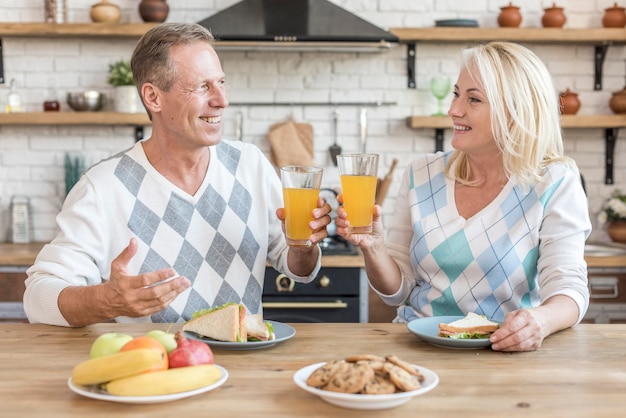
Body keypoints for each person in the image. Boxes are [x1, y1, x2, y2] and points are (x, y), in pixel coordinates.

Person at [23, 23, 331, 327]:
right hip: (152, 371)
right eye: (202, 87)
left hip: (244, 368)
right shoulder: (103, 187)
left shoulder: (250, 165)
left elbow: (297, 268)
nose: (221, 100)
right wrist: (107, 301)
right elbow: (37, 297)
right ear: (153, 97)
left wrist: (303, 247)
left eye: (221, 82)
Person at [335, 41, 591, 352]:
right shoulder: (422, 173)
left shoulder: (554, 181)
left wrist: (540, 321)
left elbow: (569, 290)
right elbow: (397, 292)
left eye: (474, 99)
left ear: (515, 112)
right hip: (417, 348)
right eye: (457, 94)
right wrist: (374, 248)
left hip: (504, 353)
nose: (454, 110)